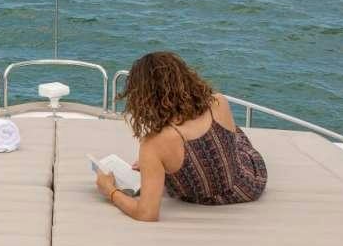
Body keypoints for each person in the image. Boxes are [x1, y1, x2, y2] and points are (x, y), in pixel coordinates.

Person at [96, 51, 269, 221]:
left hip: (200, 198)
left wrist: (110, 190)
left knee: (165, 157)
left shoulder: (153, 144)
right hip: (245, 186)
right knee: (236, 137)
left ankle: (163, 163)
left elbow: (147, 213)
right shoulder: (218, 102)